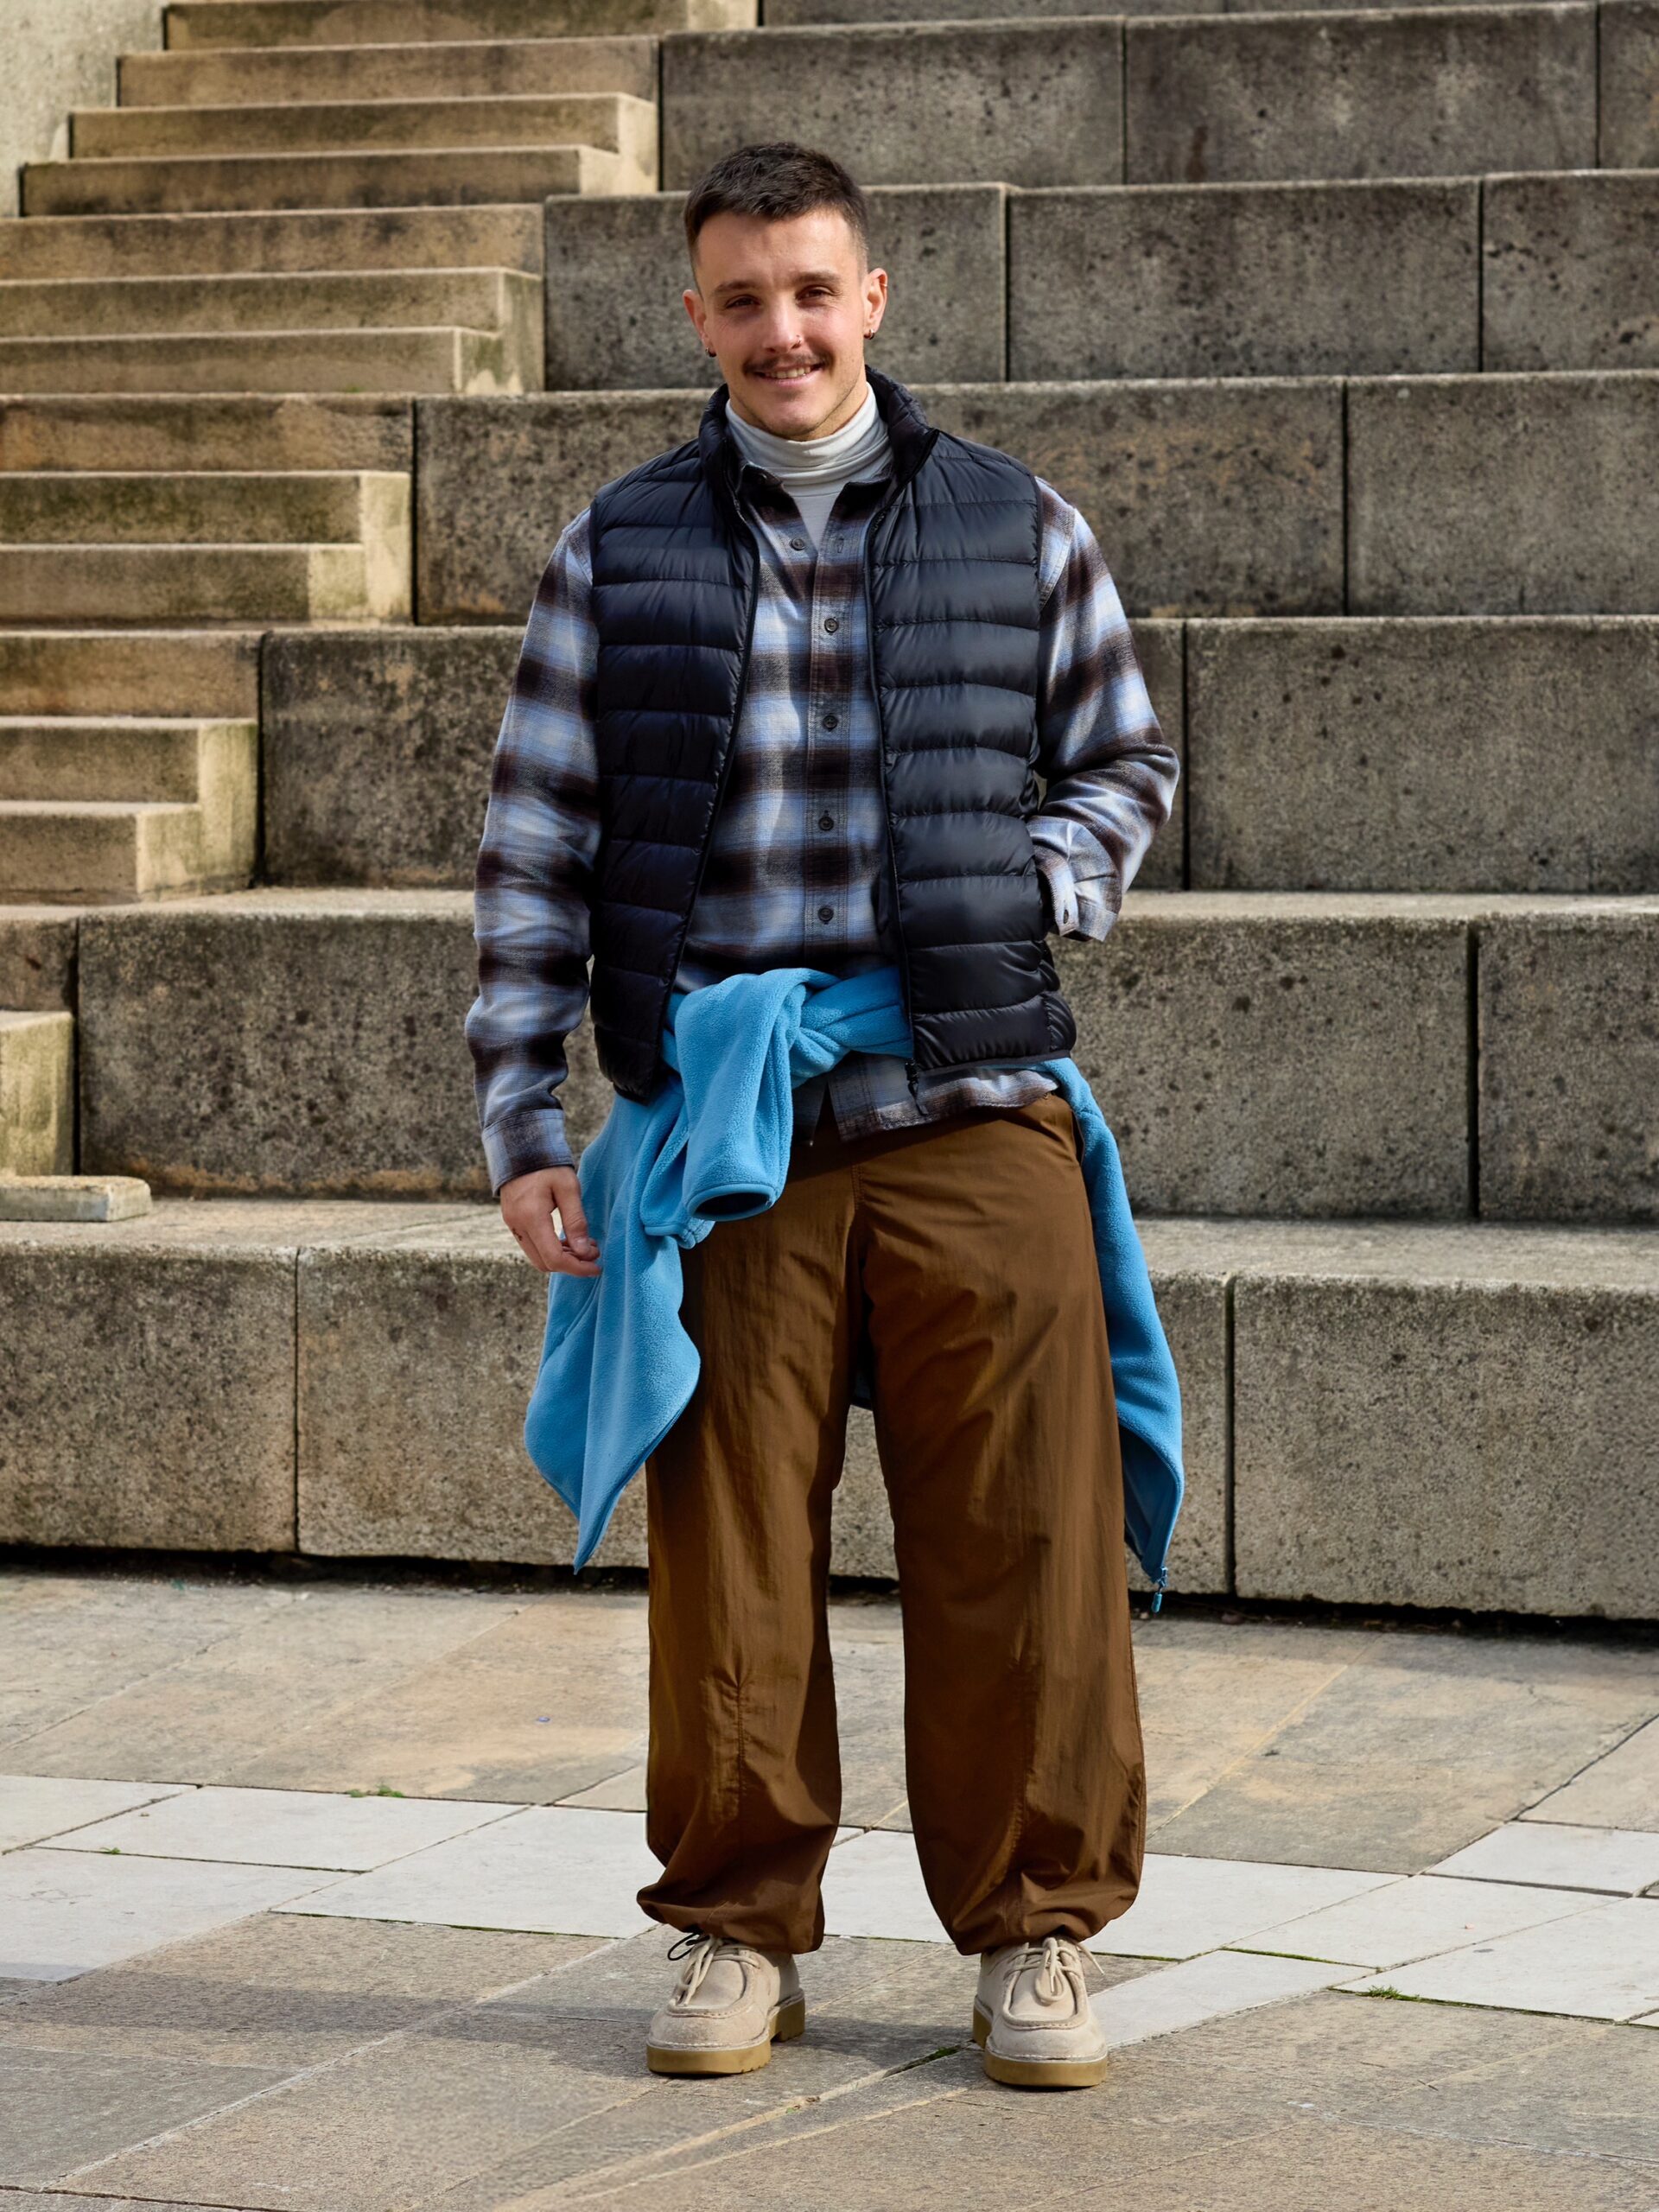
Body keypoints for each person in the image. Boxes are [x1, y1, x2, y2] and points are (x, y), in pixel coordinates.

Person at [465, 140, 1180, 2091]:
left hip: (971, 1097)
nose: (781, 329)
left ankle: (1032, 1930)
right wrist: (525, 1120)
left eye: (811, 290)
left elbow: (1124, 759)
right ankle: (735, 1923)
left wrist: (1031, 886)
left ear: (872, 298)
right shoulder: (620, 546)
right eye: (743, 298)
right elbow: (536, 841)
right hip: (726, 1121)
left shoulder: (1016, 522)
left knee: (1029, 1532)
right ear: (697, 317)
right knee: (731, 1546)